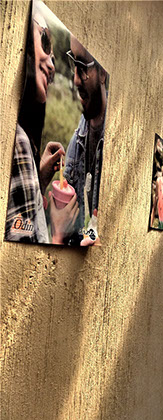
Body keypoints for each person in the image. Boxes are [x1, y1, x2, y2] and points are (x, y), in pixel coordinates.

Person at [5, 7, 78, 244]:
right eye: (44, 40)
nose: (53, 66)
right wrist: (59, 233)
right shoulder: (19, 142)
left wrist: (38, 178)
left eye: (54, 58)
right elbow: (21, 252)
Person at [63, 35, 109, 246]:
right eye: (74, 64)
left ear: (102, 73)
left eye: (82, 67)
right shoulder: (76, 143)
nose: (75, 80)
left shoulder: (114, 143)